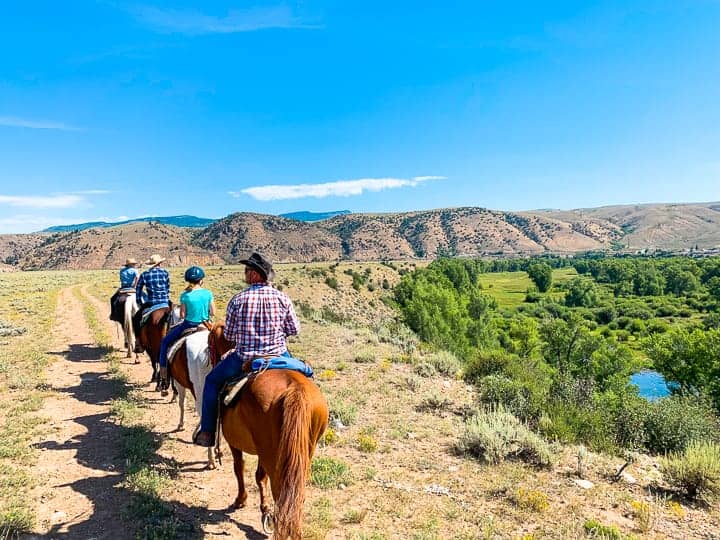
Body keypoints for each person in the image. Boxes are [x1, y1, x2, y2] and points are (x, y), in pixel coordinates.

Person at [193, 252, 300, 447]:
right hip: (279, 355)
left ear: (254, 275)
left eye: (247, 270)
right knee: (305, 376)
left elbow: (230, 336)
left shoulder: (238, 299)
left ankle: (207, 432)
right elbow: (294, 329)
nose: (245, 274)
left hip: (244, 358)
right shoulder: (283, 297)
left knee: (211, 381)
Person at [158, 266, 216, 390]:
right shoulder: (208, 293)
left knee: (165, 342)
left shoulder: (185, 295)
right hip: (206, 325)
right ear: (201, 280)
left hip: (188, 325)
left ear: (188, 280)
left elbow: (183, 315)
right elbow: (213, 312)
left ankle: (163, 376)